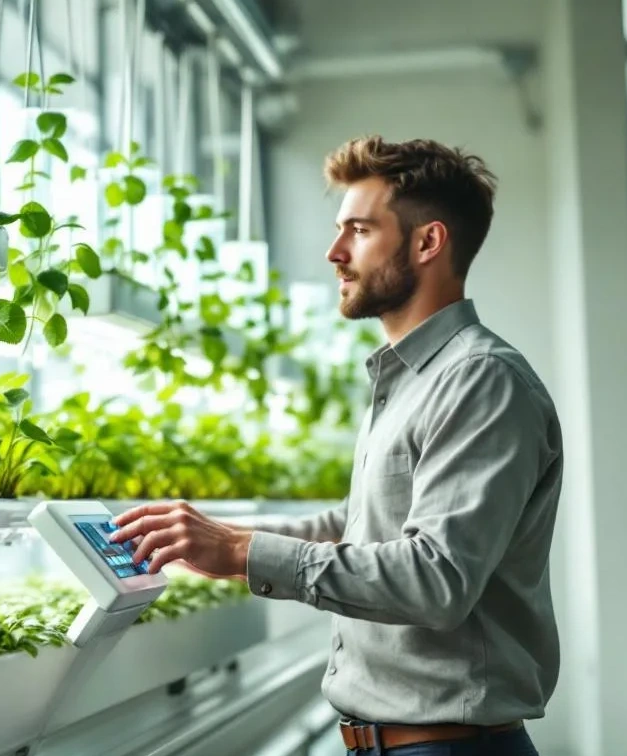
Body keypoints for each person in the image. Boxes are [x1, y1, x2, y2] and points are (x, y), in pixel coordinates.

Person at [110, 135, 561, 756]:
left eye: (359, 230)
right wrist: (210, 536)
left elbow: (438, 577)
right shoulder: (410, 380)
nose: (335, 252)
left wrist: (242, 551)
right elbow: (357, 525)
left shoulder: (481, 380)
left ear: (428, 242)